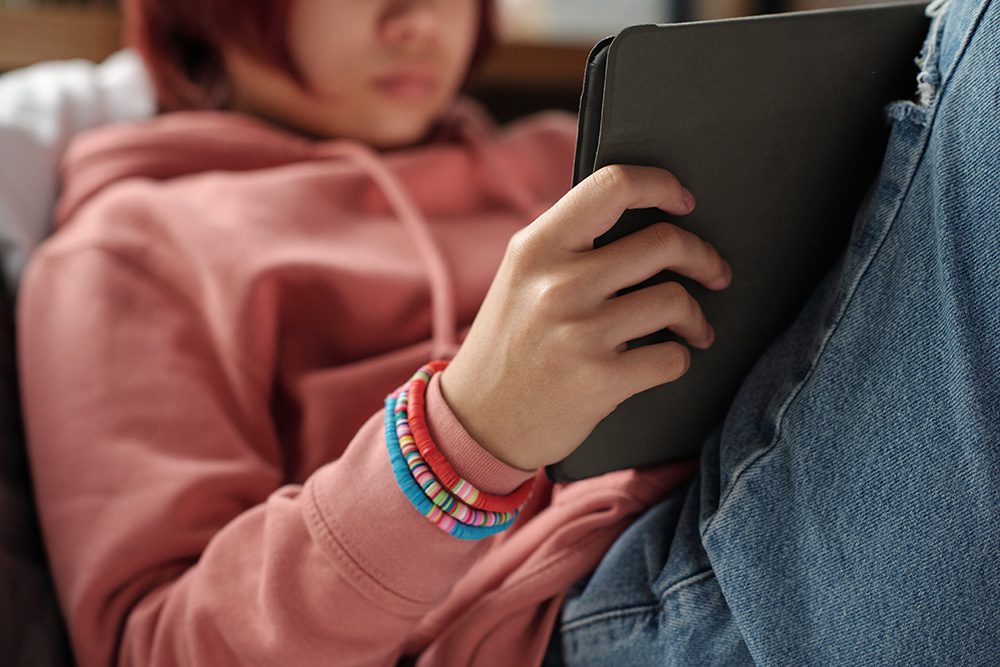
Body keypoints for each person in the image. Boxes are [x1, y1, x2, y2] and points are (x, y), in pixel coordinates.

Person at [15, 0, 730, 665]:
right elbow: (160, 643)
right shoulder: (136, 250)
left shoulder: (572, 157)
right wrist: (466, 440)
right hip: (550, 619)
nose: (418, 20)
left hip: (718, 497)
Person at [549, 0, 1000, 663]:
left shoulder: (546, 147)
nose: (412, 22)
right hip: (607, 595)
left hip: (723, 436)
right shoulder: (334, 239)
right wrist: (469, 424)